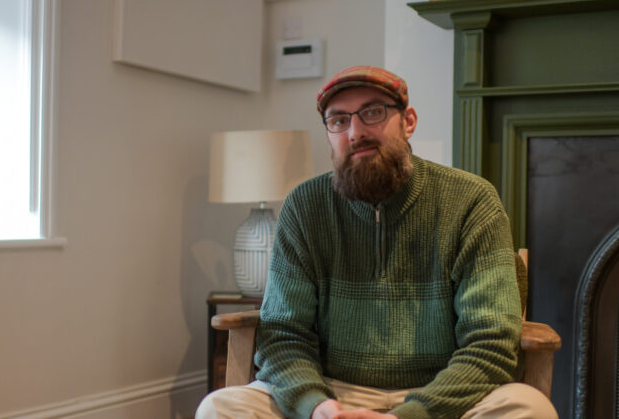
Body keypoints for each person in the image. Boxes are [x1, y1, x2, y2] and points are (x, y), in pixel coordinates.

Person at [197, 66, 557, 419]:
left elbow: (490, 343)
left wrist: (411, 414)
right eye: (339, 120)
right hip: (329, 392)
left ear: (408, 121)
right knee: (219, 408)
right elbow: (283, 336)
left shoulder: (471, 201)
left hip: (440, 399)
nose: (355, 132)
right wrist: (318, 407)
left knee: (529, 408)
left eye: (372, 112)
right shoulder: (305, 207)